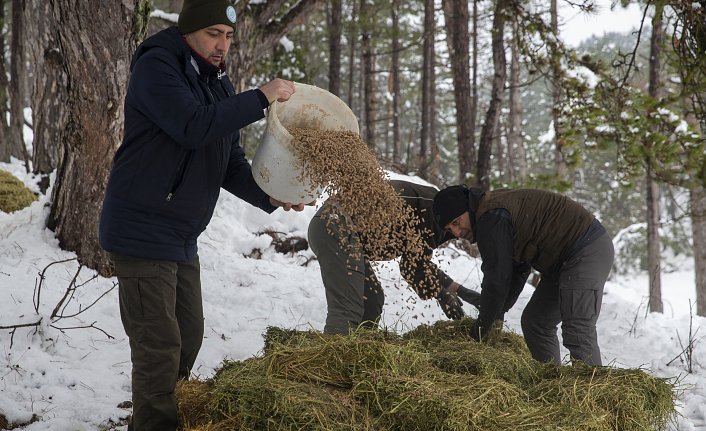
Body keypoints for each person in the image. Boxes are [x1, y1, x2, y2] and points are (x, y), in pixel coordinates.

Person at [98, 1, 305, 430]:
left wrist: (271, 195)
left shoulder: (217, 84)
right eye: (213, 33)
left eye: (228, 37)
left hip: (180, 235)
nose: (222, 45)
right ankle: (155, 420)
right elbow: (192, 125)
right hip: (142, 228)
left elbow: (228, 162)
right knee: (159, 346)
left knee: (188, 335)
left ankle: (161, 413)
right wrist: (261, 96)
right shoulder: (158, 68)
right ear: (188, 31)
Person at [432, 186, 614, 366]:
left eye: (456, 222)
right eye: (450, 229)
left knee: (577, 328)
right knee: (536, 322)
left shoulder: (491, 217)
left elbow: (497, 279)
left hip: (586, 248)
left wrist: (479, 330)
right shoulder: (491, 214)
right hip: (562, 262)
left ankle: (594, 391)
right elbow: (517, 270)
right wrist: (497, 313)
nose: (457, 233)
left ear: (467, 208)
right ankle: (550, 382)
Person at [307, 179, 482, 334]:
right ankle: (330, 362)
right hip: (334, 224)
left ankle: (356, 358)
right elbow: (413, 268)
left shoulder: (444, 215)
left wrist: (462, 293)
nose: (458, 233)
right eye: (455, 225)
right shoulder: (435, 210)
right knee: (348, 308)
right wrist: (443, 296)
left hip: (345, 233)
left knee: (371, 302)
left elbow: (418, 261)